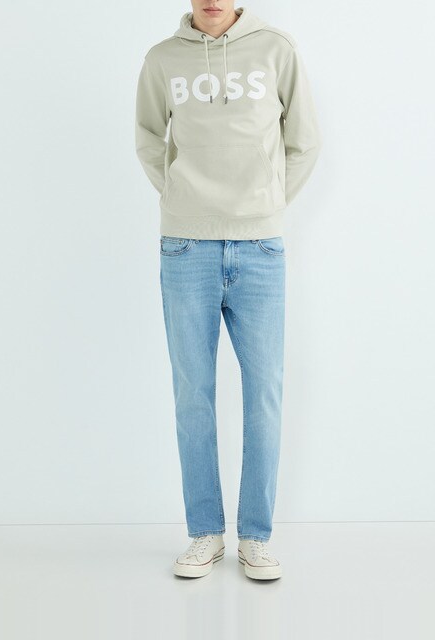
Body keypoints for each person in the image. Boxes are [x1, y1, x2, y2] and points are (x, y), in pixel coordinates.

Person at [135, 1, 322, 580]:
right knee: (193, 395)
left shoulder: (276, 50)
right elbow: (148, 137)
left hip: (259, 246)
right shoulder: (162, 59)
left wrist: (266, 202)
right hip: (185, 246)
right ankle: (205, 533)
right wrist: (181, 196)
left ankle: (256, 537)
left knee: (264, 393)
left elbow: (304, 142)